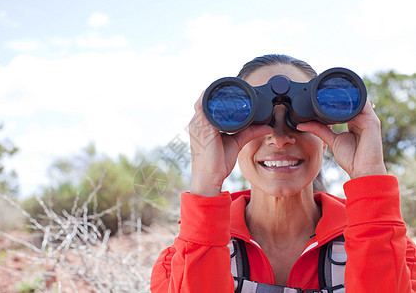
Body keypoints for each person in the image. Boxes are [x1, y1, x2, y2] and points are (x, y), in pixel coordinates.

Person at [150, 54, 416, 292]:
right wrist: (205, 185)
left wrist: (369, 175)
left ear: (324, 138)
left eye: (300, 121)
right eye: (258, 121)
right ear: (227, 135)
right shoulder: (179, 261)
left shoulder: (395, 251)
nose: (279, 139)